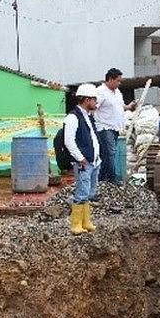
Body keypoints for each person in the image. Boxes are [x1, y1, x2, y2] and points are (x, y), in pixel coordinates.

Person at [64, 84, 102, 235]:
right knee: (82, 192)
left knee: (88, 192)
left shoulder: (87, 117)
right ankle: (76, 224)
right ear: (86, 99)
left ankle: (86, 222)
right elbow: (69, 141)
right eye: (94, 99)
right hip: (84, 162)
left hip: (93, 161)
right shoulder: (73, 117)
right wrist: (80, 158)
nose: (96, 103)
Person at [94, 68, 136, 185]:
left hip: (115, 128)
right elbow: (93, 107)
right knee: (110, 153)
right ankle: (111, 178)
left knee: (108, 154)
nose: (119, 83)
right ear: (110, 79)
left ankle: (103, 178)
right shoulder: (101, 92)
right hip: (104, 127)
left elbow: (120, 105)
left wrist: (129, 107)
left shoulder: (117, 92)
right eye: (118, 81)